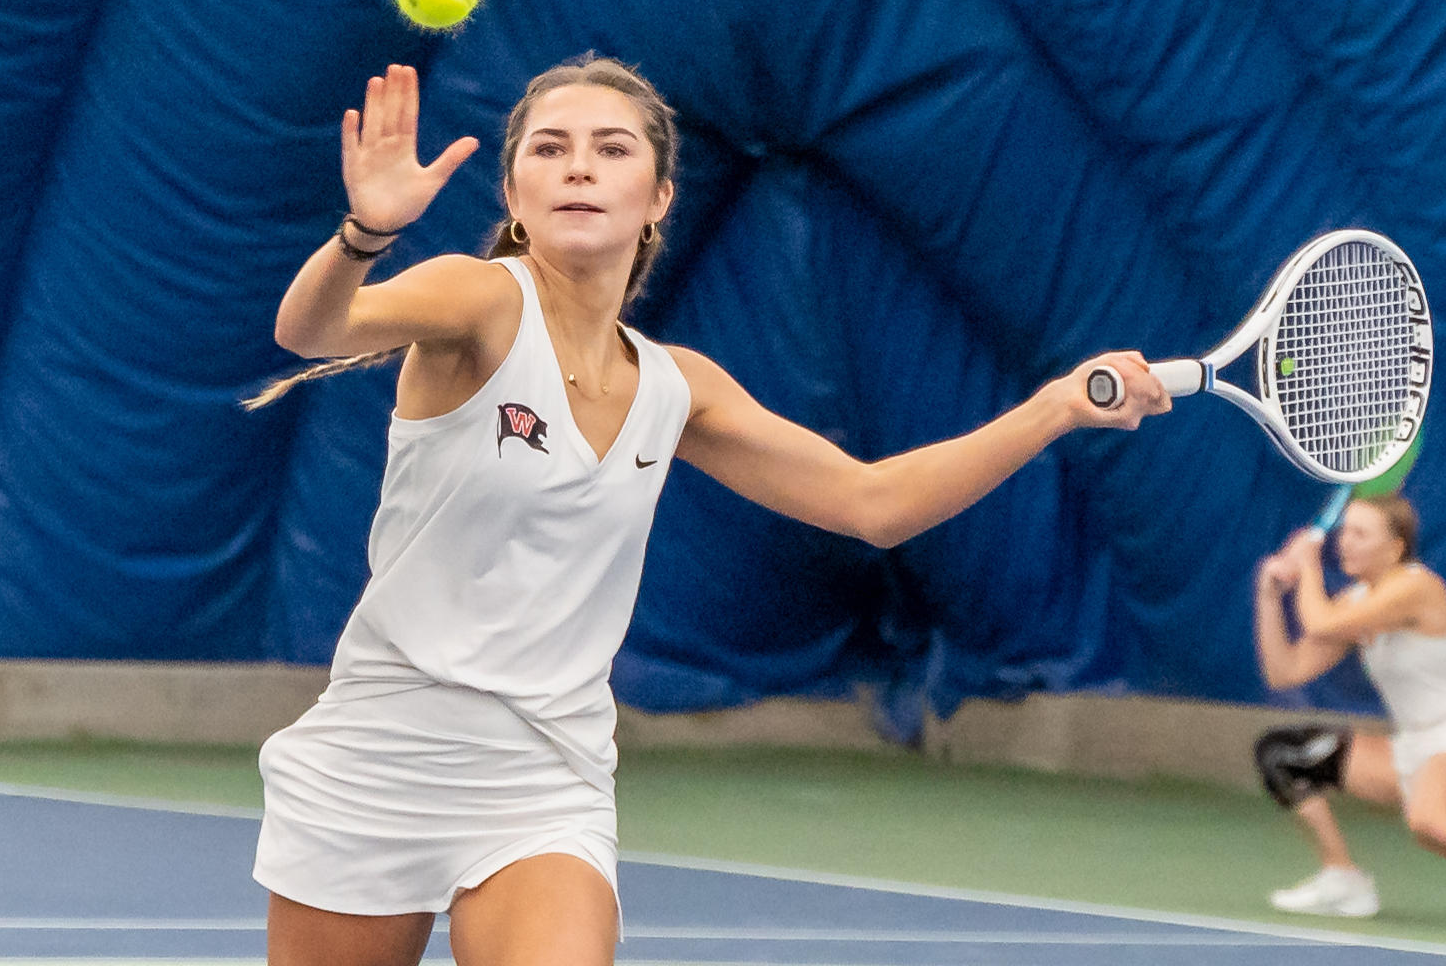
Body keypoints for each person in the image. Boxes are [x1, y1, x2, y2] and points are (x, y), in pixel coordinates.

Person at [248, 53, 1170, 966]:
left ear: (657, 198)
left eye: (611, 149)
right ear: (516, 196)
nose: (578, 166)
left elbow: (872, 502)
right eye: (550, 148)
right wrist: (365, 233)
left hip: (541, 776)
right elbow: (312, 331)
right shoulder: (480, 299)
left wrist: (1052, 409)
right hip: (382, 753)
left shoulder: (678, 387)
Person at [1252, 493, 1446, 918]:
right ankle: (1343, 878)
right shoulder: (1355, 602)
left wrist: (1305, 563)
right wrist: (1269, 597)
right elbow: (1284, 671)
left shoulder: (1418, 587)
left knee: (1428, 819)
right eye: (1344, 531)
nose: (1345, 542)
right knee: (1284, 757)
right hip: (1411, 748)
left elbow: (1319, 621)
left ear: (1396, 548)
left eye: (1361, 534)